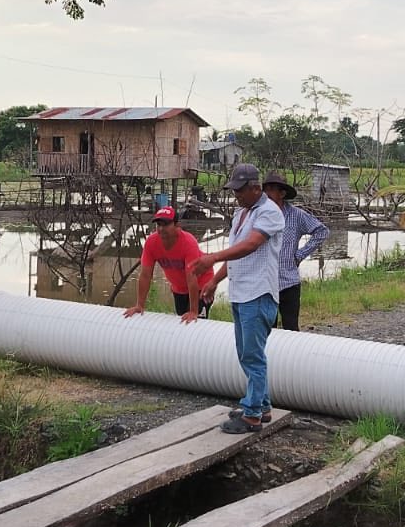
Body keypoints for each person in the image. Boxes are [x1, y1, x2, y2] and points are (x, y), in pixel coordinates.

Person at [191, 163, 284, 434]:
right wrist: (214, 281)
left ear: (256, 188)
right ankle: (262, 406)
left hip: (258, 293)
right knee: (246, 353)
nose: (236, 196)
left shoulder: (269, 212)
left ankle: (252, 415)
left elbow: (251, 245)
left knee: (253, 356)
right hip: (241, 292)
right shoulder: (242, 213)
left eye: (240, 191)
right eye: (234, 191)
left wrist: (212, 257)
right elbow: (236, 253)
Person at [261, 171, 329, 331]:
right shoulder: (259, 215)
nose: (267, 194)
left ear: (282, 193)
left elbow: (322, 231)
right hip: (265, 283)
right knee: (266, 329)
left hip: (289, 282)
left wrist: (299, 255)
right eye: (266, 189)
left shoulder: (296, 215)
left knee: (291, 329)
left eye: (272, 189)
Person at [123, 206, 205, 320]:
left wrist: (193, 311)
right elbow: (145, 275)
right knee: (182, 320)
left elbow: (192, 278)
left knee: (196, 322)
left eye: (166, 224)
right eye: (158, 224)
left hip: (201, 283)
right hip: (179, 287)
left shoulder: (188, 242)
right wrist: (139, 305)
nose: (161, 228)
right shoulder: (151, 243)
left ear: (177, 225)